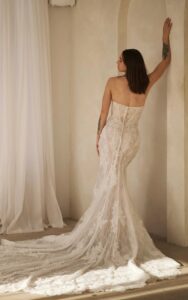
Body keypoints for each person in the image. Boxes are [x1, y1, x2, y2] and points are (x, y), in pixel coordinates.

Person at [0, 18, 183, 297]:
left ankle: (108, 235)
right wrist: (165, 37)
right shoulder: (145, 83)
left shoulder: (112, 82)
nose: (117, 61)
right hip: (132, 142)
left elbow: (103, 116)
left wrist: (98, 138)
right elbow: (167, 60)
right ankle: (117, 233)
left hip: (113, 139)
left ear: (127, 63)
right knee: (116, 185)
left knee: (111, 185)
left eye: (120, 59)